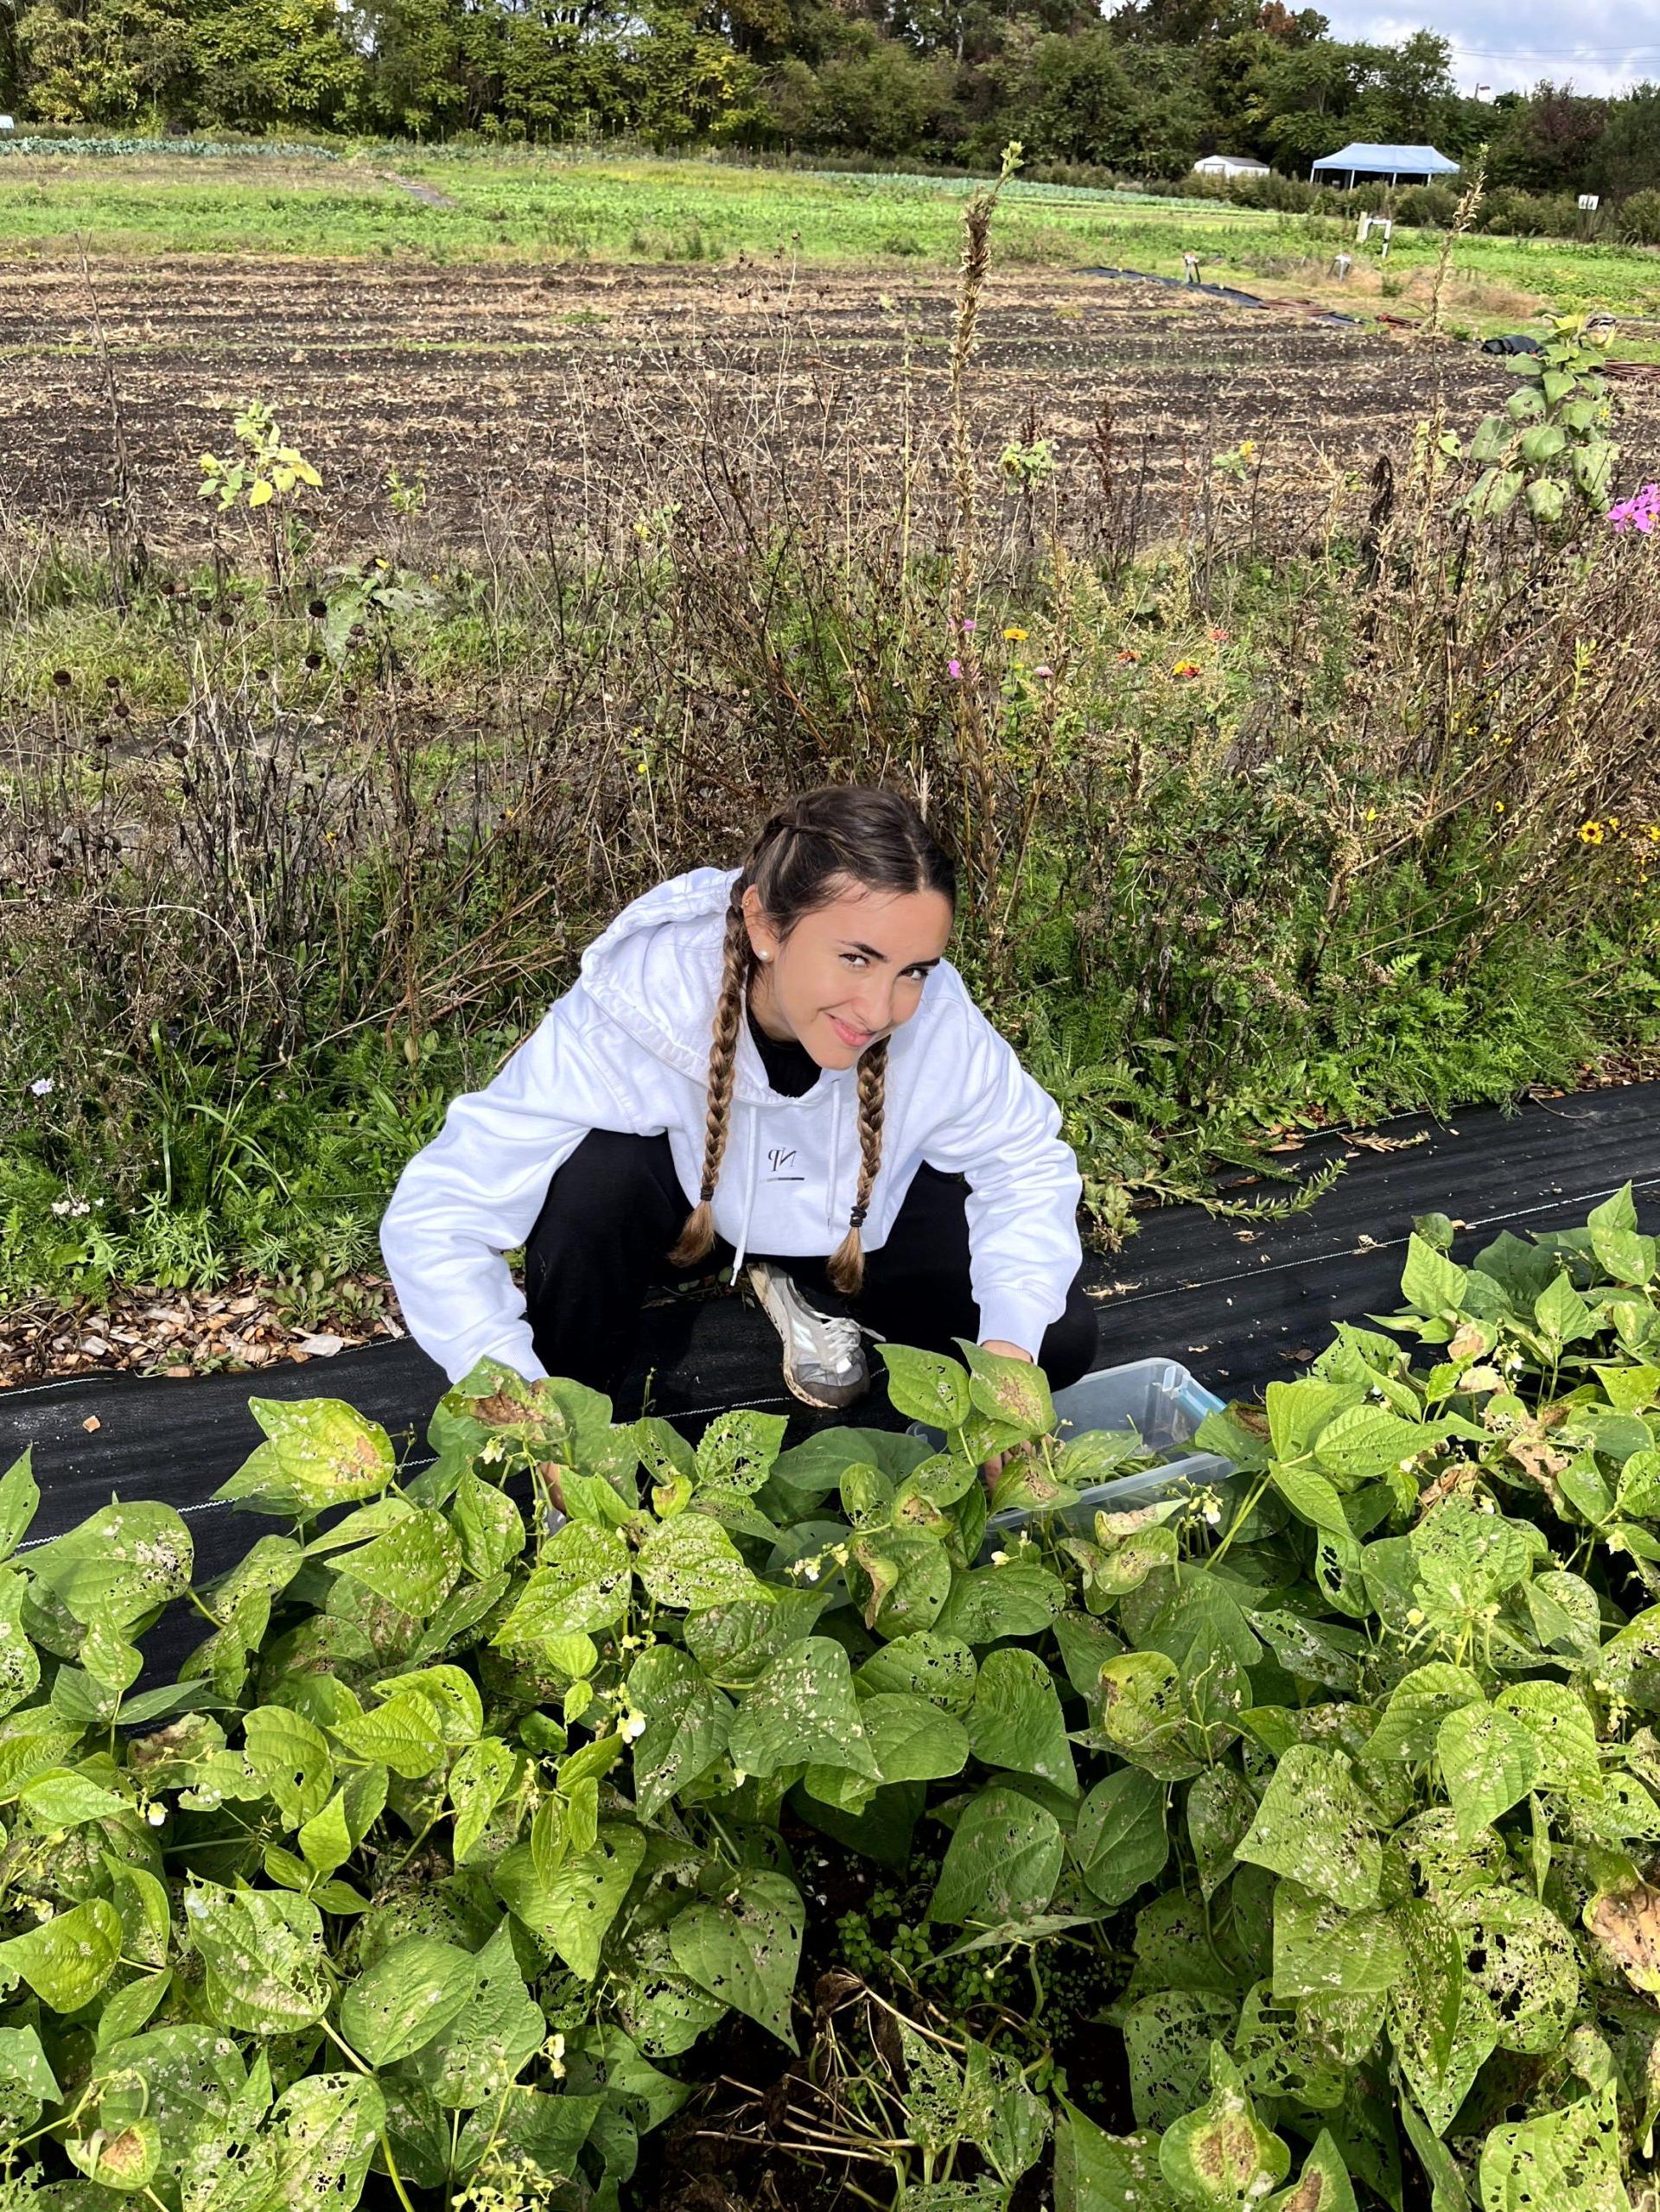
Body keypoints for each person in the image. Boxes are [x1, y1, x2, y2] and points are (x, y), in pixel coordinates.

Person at [378, 785, 1096, 1414]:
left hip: (847, 1216)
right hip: (695, 1212)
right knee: (594, 1179)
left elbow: (1022, 1163)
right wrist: (514, 1390)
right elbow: (440, 1214)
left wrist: (1007, 1354)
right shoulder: (643, 998)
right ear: (763, 926)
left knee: (1051, 1341)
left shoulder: (935, 1019)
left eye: (912, 970)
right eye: (855, 957)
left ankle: (804, 1284)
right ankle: (574, 1407)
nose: (880, 1008)